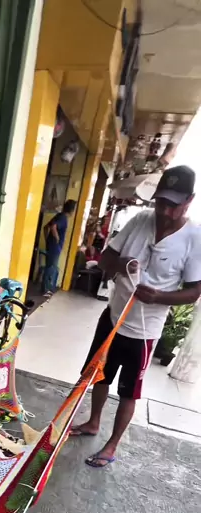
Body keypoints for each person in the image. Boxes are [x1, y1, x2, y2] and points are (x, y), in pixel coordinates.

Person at [71, 165, 201, 468]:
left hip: (144, 331)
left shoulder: (194, 238)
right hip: (113, 318)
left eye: (173, 205)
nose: (164, 211)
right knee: (99, 375)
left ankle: (112, 445)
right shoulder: (140, 220)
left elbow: (194, 292)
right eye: (161, 202)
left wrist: (159, 297)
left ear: (189, 201)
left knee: (129, 392)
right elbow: (105, 258)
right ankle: (93, 422)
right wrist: (121, 264)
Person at [42, 199, 77, 294]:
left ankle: (45, 288)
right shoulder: (63, 218)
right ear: (71, 210)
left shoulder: (59, 215)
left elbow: (46, 227)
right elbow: (53, 227)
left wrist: (47, 240)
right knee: (51, 268)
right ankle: (46, 290)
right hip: (55, 247)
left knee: (49, 267)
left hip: (51, 245)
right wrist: (57, 239)